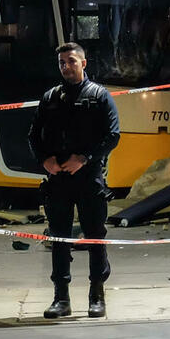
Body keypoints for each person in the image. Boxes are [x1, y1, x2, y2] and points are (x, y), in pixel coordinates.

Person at [28, 42, 120, 319]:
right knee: (58, 239)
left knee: (95, 237)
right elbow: (33, 136)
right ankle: (61, 298)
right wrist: (45, 160)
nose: (66, 67)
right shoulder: (50, 97)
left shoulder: (99, 95)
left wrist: (85, 158)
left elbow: (113, 136)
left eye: (71, 61)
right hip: (58, 180)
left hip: (89, 177)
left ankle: (97, 295)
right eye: (62, 63)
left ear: (84, 63)